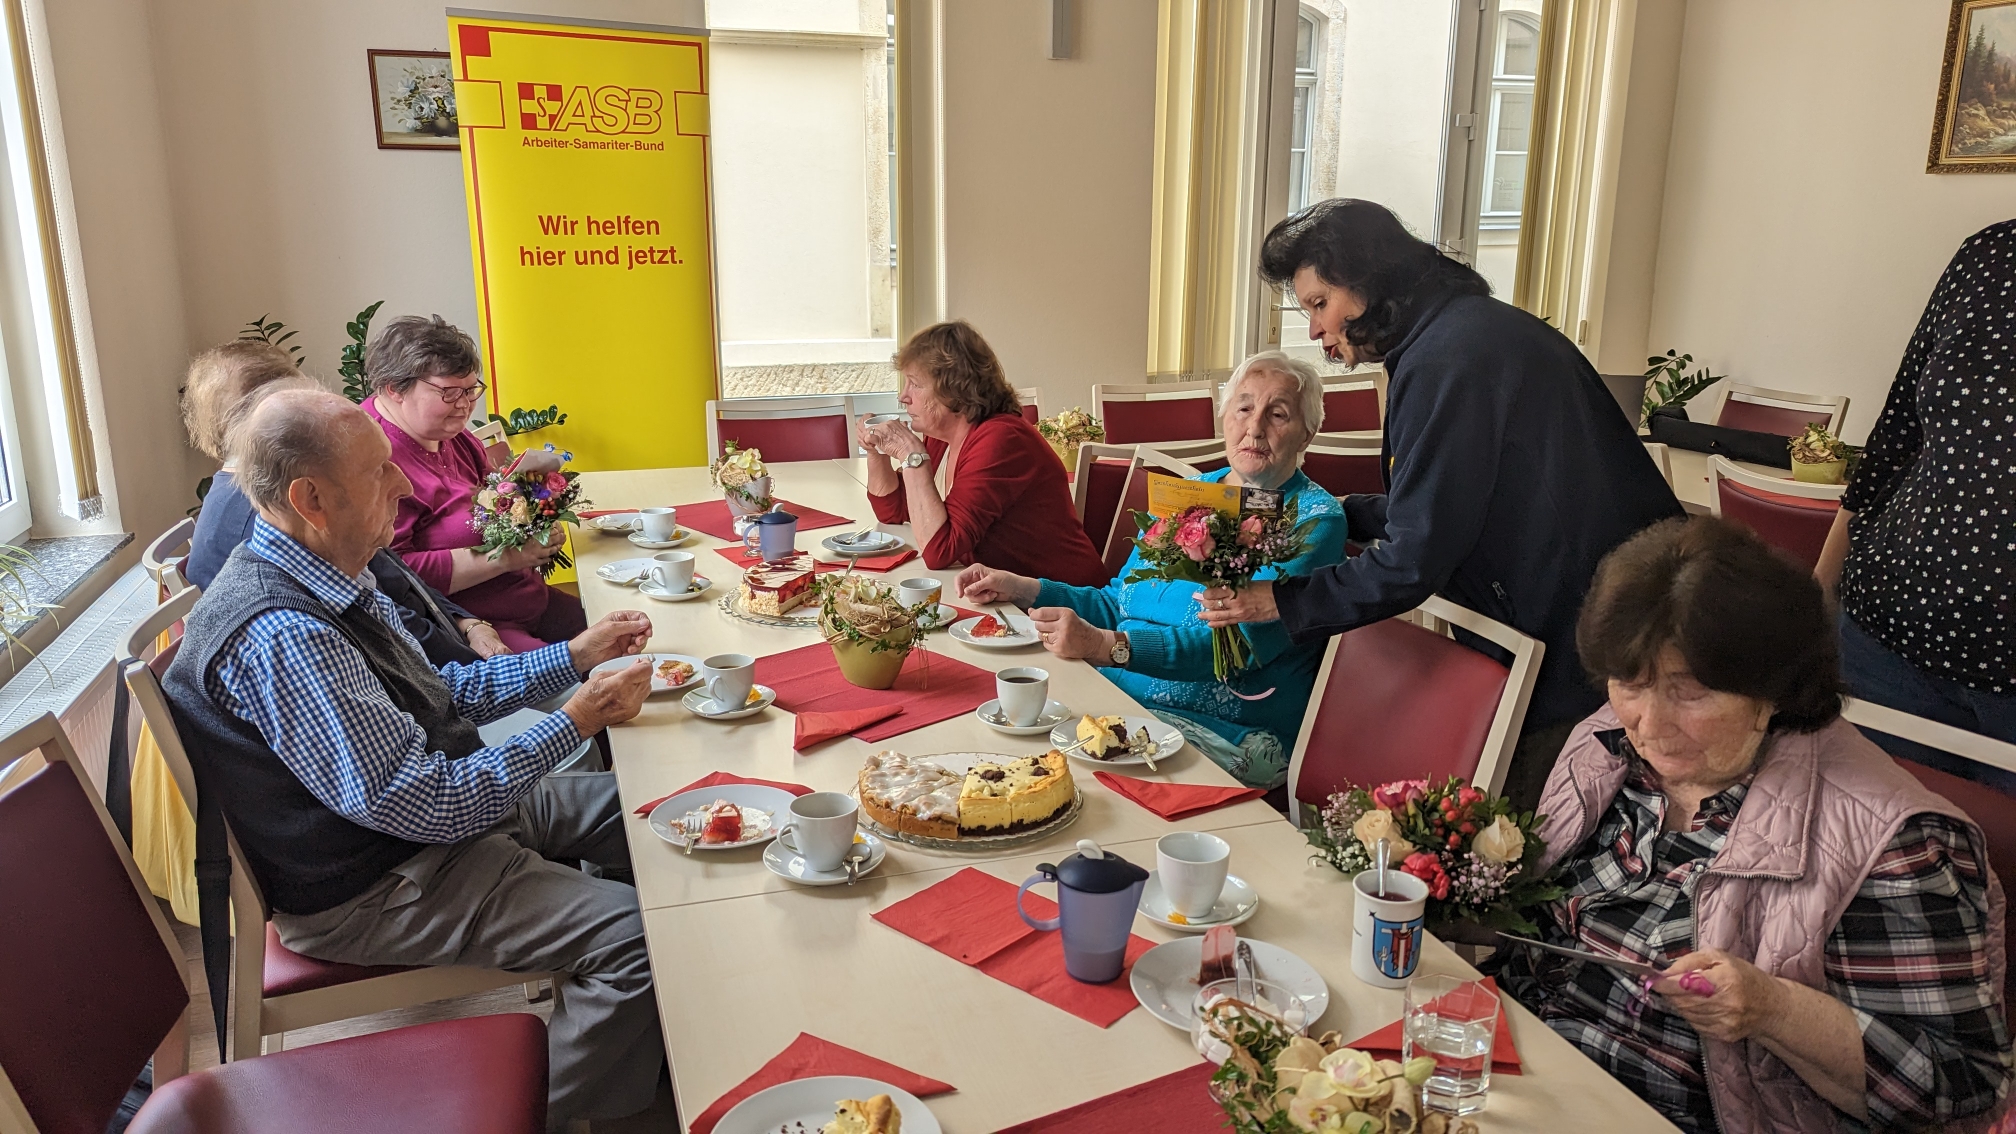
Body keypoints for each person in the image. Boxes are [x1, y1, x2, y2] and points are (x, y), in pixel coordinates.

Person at [162, 389, 664, 1130]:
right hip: (382, 881)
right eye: (379, 471)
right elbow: (431, 802)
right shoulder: (283, 632)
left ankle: (641, 1060)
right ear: (311, 497)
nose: (403, 483)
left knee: (658, 810)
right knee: (637, 939)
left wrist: (572, 657)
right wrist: (576, 718)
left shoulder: (322, 567)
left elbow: (444, 692)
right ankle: (545, 1114)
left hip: (420, 827)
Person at [1497, 516, 2009, 1133]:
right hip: (1513, 1065)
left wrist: (1772, 1009)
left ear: (1773, 688)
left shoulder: (1897, 844)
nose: (1648, 723)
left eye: (1689, 694)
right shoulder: (1606, 742)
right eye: (1632, 682)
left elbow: (1964, 1088)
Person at [1198, 199, 1682, 808]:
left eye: (1320, 305)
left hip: (1591, 637)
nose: (1316, 330)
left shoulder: (1446, 358)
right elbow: (1447, 496)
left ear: (1371, 283)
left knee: (1529, 834)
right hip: (1605, 611)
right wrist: (1342, 510)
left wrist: (1283, 601)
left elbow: (1413, 558)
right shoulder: (1459, 332)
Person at [957, 352, 1349, 788]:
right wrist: (1026, 589)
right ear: (1224, 417)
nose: (1254, 427)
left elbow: (1234, 645)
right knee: (997, 738)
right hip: (1121, 698)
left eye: (1277, 414)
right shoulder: (1195, 492)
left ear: (1308, 433)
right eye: (1243, 407)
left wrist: (1108, 646)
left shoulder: (1313, 520)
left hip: (1226, 727)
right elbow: (1116, 602)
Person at [1816, 218, 2016, 787]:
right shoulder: (1988, 254)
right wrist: (1819, 591)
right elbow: (1895, 438)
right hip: (1886, 644)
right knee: (1873, 860)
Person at [179, 341, 509, 666]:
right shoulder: (273, 515)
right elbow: (385, 635)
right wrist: (479, 663)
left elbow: (394, 576)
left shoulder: (293, 495)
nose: (403, 485)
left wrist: (468, 623)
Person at [363, 315, 588, 651]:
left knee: (634, 634)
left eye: (471, 390)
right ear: (394, 389)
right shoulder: (371, 458)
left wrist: (536, 527)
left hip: (526, 601)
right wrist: (508, 556)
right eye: (450, 392)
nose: (466, 404)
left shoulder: (453, 436)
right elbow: (395, 576)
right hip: (476, 628)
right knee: (597, 681)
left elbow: (498, 506)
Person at [860, 321, 1109, 586]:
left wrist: (911, 454)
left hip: (1060, 603)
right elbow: (894, 510)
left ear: (954, 389)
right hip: (999, 594)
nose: (903, 397)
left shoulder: (1001, 439)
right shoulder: (941, 436)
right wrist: (875, 451)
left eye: (915, 384)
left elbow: (940, 551)